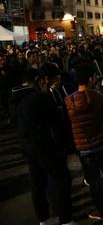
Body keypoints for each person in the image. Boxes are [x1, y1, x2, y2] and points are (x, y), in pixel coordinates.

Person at [9, 67, 74, 225]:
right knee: (62, 178)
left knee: (37, 182)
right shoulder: (37, 98)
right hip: (44, 144)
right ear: (36, 80)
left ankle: (43, 218)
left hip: (26, 145)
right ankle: (66, 219)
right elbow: (54, 119)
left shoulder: (13, 98)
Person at [65, 63, 103, 220]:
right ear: (91, 79)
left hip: (84, 147)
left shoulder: (69, 102)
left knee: (94, 181)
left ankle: (102, 210)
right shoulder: (100, 98)